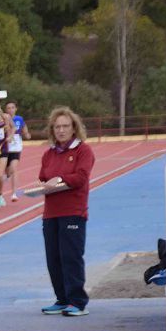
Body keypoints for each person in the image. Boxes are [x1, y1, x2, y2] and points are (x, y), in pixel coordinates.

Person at [37, 107, 95, 317]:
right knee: (54, 258)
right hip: (50, 212)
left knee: (71, 256)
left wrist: (59, 180)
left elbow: (80, 178)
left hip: (73, 211)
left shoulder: (83, 151)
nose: (61, 130)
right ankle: (61, 299)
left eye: (65, 126)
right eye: (57, 126)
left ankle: (77, 301)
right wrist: (44, 185)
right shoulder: (49, 153)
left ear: (74, 128)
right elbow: (44, 177)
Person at [1, 101, 30, 202]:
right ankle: (7, 175)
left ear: (16, 109)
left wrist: (26, 134)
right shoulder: (2, 119)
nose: (10, 110)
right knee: (7, 171)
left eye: (12, 107)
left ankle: (14, 193)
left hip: (16, 147)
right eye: (8, 108)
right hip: (5, 147)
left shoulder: (19, 119)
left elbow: (24, 128)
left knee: (13, 168)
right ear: (6, 110)